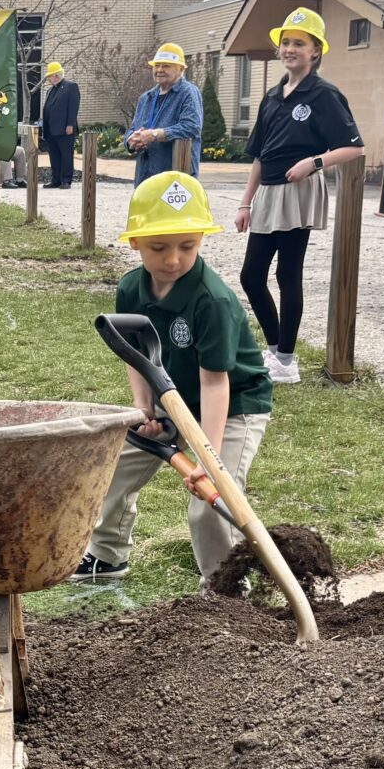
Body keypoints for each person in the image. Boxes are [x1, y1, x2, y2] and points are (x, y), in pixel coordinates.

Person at [78, 171, 275, 584]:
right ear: (134, 242)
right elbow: (134, 355)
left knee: (210, 499)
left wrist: (210, 458)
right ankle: (108, 556)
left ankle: (225, 589)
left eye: (188, 246)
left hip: (232, 406)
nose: (173, 259)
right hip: (173, 399)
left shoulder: (211, 300)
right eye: (158, 247)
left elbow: (216, 382)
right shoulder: (132, 289)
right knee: (115, 468)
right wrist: (142, 409)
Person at [235, 8, 365, 384]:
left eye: (299, 43)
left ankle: (286, 361)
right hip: (269, 193)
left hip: (299, 193)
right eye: (286, 42)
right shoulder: (273, 96)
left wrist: (314, 162)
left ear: (315, 52)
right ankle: (276, 349)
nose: (290, 49)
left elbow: (353, 148)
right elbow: (259, 154)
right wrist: (246, 201)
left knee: (288, 273)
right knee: (251, 276)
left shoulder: (324, 95)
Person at [128, 46, 203, 183]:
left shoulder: (188, 93)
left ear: (181, 69)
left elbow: (191, 127)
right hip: (145, 176)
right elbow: (133, 129)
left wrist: (154, 135)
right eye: (156, 66)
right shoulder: (146, 98)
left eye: (166, 66)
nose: (159, 70)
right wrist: (132, 140)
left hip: (175, 178)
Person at [40, 60, 82, 188]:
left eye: (50, 77)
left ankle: (66, 180)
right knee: (54, 155)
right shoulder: (51, 90)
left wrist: (70, 124)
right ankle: (56, 179)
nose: (49, 79)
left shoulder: (70, 86)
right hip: (51, 129)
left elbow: (73, 107)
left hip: (65, 129)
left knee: (66, 155)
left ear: (56, 75)